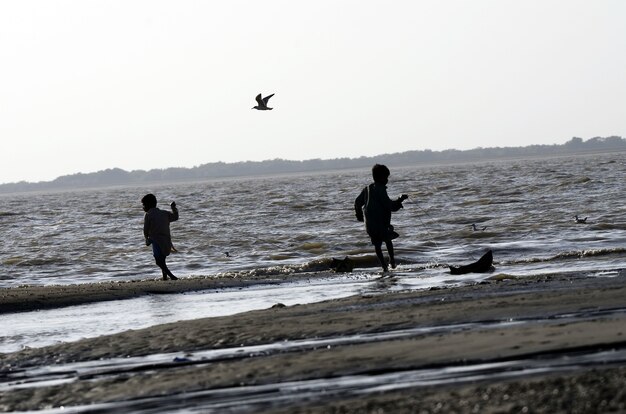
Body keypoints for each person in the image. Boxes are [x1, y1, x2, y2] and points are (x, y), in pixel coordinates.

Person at [355, 164, 408, 272]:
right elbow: (388, 205)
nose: (387, 180)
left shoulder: (367, 189)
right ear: (380, 178)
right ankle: (392, 261)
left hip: (370, 224)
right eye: (386, 177)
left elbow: (357, 202)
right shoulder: (381, 189)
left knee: (377, 244)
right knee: (388, 239)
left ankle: (384, 266)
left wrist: (359, 215)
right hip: (381, 222)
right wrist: (399, 201)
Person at [141, 193, 179, 280]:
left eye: (143, 205)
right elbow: (175, 217)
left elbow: (145, 229)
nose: (143, 207)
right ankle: (164, 277)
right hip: (166, 240)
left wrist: (146, 239)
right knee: (162, 259)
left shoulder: (148, 215)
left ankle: (171, 276)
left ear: (147, 205)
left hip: (156, 240)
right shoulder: (164, 213)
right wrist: (173, 208)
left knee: (158, 261)